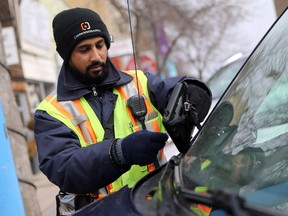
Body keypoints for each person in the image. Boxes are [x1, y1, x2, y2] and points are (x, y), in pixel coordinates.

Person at [34, 7, 212, 214]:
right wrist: (120, 153)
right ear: (67, 54)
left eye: (100, 45)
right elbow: (64, 169)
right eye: (84, 49)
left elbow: (174, 90)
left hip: (154, 205)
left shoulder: (140, 82)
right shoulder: (51, 112)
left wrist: (194, 92)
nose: (96, 56)